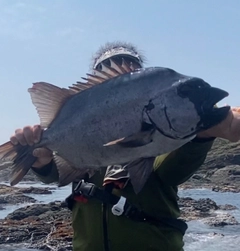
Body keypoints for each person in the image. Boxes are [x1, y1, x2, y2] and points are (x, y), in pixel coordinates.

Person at [10, 42, 240, 251]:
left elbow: (171, 172)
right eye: (107, 70)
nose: (121, 74)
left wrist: (203, 136)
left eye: (131, 70)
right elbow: (59, 176)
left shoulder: (170, 138)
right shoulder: (79, 130)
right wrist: (42, 163)